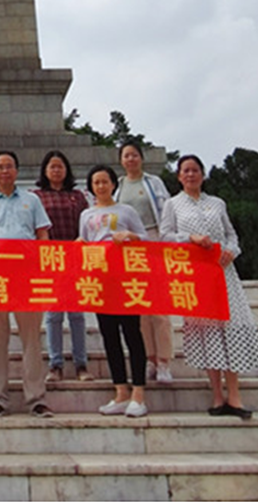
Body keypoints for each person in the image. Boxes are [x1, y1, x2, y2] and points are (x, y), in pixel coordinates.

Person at [160, 154, 258, 420]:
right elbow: (165, 235)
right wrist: (191, 238)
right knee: (208, 334)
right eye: (186, 171)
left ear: (203, 174)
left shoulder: (217, 203)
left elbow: (231, 234)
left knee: (231, 329)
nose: (190, 175)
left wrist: (232, 251)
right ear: (178, 176)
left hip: (223, 273)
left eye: (195, 170)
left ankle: (235, 395)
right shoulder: (172, 204)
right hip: (196, 275)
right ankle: (217, 395)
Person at [0, 150, 54, 418]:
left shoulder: (32, 200)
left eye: (9, 166)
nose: (5, 171)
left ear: (16, 171)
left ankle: (36, 398)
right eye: (0, 167)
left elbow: (42, 235)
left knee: (31, 338)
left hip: (26, 275)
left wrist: (42, 268)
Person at [79, 164, 149, 418]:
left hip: (126, 278)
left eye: (104, 181)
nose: (101, 186)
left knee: (132, 333)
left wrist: (130, 236)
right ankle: (120, 391)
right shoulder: (86, 215)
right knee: (109, 336)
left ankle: (138, 393)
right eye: (96, 182)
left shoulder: (126, 210)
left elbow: (146, 239)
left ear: (113, 184)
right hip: (100, 279)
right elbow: (84, 242)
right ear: (91, 187)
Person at [31, 150, 93, 383]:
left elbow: (86, 226)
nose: (56, 170)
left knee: (76, 314)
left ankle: (81, 364)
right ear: (45, 170)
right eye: (52, 166)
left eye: (60, 166)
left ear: (66, 170)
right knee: (53, 314)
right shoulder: (36, 197)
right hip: (49, 258)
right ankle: (55, 364)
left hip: (75, 257)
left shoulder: (77, 196)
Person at [116, 140, 174, 384]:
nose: (130, 159)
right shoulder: (118, 186)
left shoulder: (153, 182)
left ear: (141, 158)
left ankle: (164, 361)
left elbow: (167, 211)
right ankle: (150, 358)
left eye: (134, 155)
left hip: (153, 240)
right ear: (121, 160)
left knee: (159, 306)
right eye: (126, 156)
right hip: (128, 247)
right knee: (139, 305)